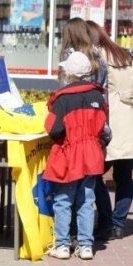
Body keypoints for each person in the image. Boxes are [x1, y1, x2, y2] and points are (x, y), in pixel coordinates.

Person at [43, 51, 110, 260]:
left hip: (69, 155)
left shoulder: (62, 98)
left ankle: (63, 245)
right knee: (86, 201)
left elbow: (54, 130)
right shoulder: (98, 96)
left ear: (69, 73)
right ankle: (86, 245)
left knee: (64, 200)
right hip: (92, 154)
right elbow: (103, 128)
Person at [58, 17, 111, 242]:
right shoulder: (98, 57)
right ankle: (99, 229)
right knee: (93, 181)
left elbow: (64, 92)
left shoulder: (70, 57)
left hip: (75, 128)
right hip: (98, 124)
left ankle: (67, 235)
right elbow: (104, 93)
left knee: (69, 186)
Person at [87, 20, 133, 241]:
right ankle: (118, 224)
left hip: (110, 126)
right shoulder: (124, 56)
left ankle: (106, 220)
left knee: (94, 174)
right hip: (129, 127)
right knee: (124, 178)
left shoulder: (99, 58)